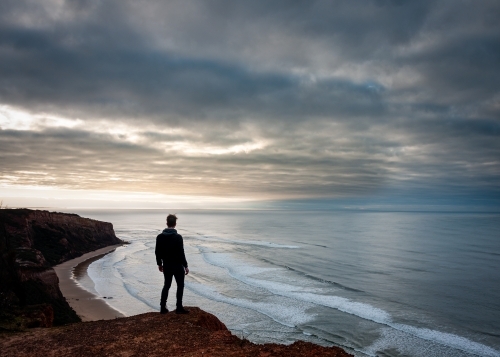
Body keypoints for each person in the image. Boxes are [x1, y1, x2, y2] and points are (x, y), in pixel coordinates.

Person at [155, 214, 190, 314]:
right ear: (175, 224)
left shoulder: (160, 237)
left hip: (167, 265)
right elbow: (181, 252)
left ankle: (162, 307)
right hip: (178, 265)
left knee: (167, 285)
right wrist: (186, 265)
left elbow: (157, 252)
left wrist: (159, 264)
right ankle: (179, 307)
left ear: (167, 223)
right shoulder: (178, 237)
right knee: (180, 285)